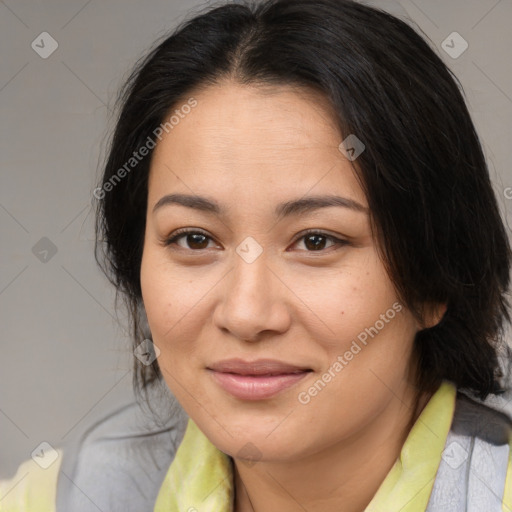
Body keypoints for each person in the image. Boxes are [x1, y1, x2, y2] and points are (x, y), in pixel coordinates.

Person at [1, 0, 511, 510]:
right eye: (194, 239)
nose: (246, 314)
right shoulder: (63, 496)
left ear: (436, 280)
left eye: (316, 240)